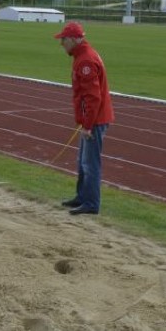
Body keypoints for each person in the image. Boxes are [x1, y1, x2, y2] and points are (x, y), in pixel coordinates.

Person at [54, 21, 114, 215]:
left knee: (90, 163)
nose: (61, 44)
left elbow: (93, 97)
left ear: (72, 39)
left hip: (95, 121)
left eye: (63, 40)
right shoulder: (81, 56)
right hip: (91, 119)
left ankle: (91, 203)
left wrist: (88, 125)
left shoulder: (85, 60)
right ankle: (82, 196)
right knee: (82, 161)